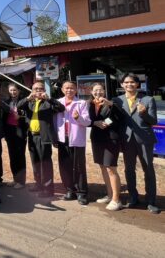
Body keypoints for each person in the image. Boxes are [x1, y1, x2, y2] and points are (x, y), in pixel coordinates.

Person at [112, 73, 159, 214]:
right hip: (127, 140)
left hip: (144, 139)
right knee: (129, 169)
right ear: (122, 85)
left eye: (132, 82)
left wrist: (144, 114)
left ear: (137, 84)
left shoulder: (148, 99)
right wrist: (101, 123)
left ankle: (151, 201)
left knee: (148, 169)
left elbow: (153, 121)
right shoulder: (117, 100)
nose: (129, 84)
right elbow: (113, 119)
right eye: (126, 82)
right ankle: (133, 197)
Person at [17, 81, 65, 198]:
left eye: (40, 89)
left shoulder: (48, 103)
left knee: (45, 163)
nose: (38, 91)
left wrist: (49, 99)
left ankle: (48, 189)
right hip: (32, 136)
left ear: (44, 90)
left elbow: (61, 108)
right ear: (32, 90)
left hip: (44, 136)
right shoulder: (30, 103)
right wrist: (28, 98)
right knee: (35, 163)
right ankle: (38, 184)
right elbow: (18, 106)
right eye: (36, 89)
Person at [88, 83, 123, 211]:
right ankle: (109, 195)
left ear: (104, 91)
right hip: (97, 139)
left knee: (111, 168)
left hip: (110, 138)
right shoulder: (89, 104)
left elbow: (119, 117)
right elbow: (88, 120)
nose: (98, 93)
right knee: (103, 166)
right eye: (95, 90)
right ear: (92, 92)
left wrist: (105, 123)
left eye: (100, 90)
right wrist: (95, 123)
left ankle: (116, 199)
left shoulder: (111, 103)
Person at [55, 81, 91, 205]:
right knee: (65, 166)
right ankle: (69, 190)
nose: (69, 90)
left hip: (76, 139)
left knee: (79, 167)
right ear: (62, 89)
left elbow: (87, 122)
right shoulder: (58, 102)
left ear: (76, 90)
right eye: (67, 88)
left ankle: (81, 192)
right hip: (62, 139)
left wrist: (78, 118)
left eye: (72, 88)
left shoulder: (81, 103)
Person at [4, 83, 28, 189]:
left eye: (14, 90)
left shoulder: (24, 101)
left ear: (19, 91)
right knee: (12, 156)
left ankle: (21, 181)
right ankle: (15, 179)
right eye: (11, 90)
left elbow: (27, 115)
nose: (13, 92)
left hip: (20, 131)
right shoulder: (7, 101)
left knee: (20, 156)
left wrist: (21, 117)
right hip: (10, 131)